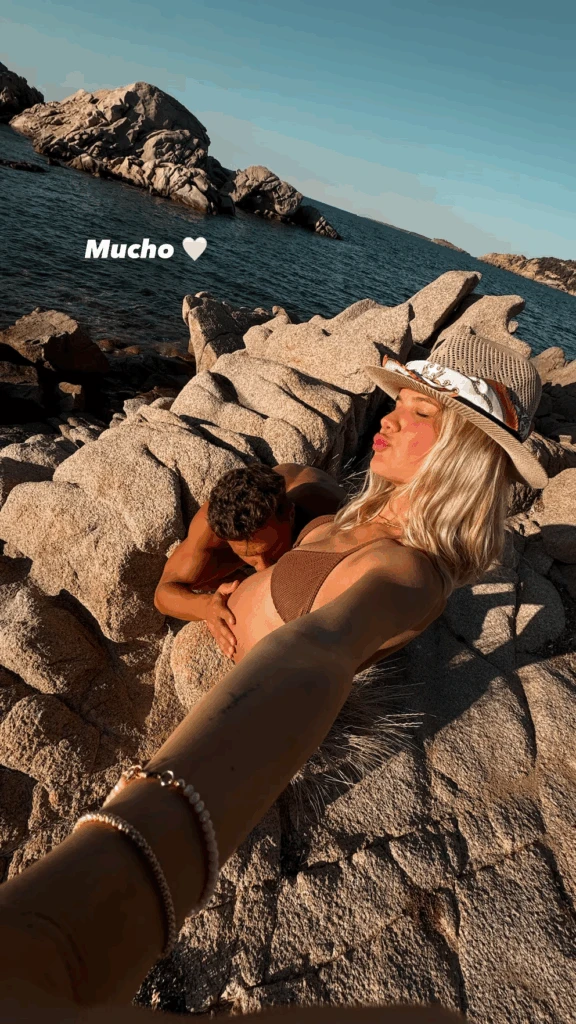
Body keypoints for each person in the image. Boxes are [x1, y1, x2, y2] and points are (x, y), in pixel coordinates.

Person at [0, 333, 545, 1022]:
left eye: (420, 412)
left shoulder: (407, 572)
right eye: (398, 401)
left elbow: (314, 651)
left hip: (233, 725)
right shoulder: (352, 509)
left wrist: (123, 854)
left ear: (464, 454)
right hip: (218, 675)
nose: (388, 416)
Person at [154, 462, 345, 654]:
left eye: (272, 549)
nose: (263, 568)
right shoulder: (213, 527)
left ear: (290, 514)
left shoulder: (325, 511)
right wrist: (207, 606)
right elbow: (162, 595)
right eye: (249, 557)